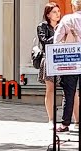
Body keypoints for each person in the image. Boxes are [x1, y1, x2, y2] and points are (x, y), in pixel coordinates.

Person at [37, 2, 79, 130]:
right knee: (50, 89)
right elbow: (44, 42)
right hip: (50, 59)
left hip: (66, 60)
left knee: (72, 90)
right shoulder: (43, 26)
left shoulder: (64, 24)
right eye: (54, 12)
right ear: (48, 14)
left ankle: (77, 120)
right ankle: (51, 119)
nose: (57, 14)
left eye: (58, 11)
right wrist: (58, 34)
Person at [53, 0, 81, 132]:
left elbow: (56, 40)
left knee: (69, 93)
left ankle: (65, 123)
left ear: (73, 6)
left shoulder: (67, 19)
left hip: (72, 61)